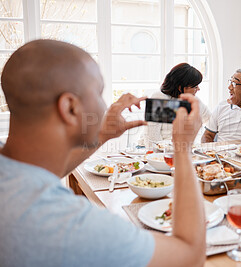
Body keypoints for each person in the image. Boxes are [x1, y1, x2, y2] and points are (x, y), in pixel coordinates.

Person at [0, 40, 206, 267]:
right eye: (99, 92)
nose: (104, 103)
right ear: (70, 107)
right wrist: (183, 149)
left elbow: (41, 170)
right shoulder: (67, 223)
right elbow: (190, 255)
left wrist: (103, 134)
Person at [142, 63, 211, 147]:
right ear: (180, 87)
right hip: (157, 151)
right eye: (195, 86)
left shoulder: (193, 101)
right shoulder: (161, 98)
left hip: (179, 150)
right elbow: (152, 138)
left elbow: (211, 120)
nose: (198, 89)